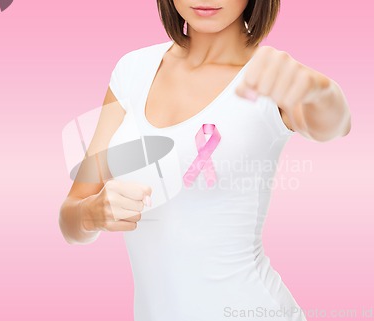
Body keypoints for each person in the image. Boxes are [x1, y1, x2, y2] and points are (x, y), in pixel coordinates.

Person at [59, 0, 351, 320]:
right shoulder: (133, 70)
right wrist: (92, 213)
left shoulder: (271, 80)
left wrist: (321, 92)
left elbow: (333, 124)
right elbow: (71, 216)